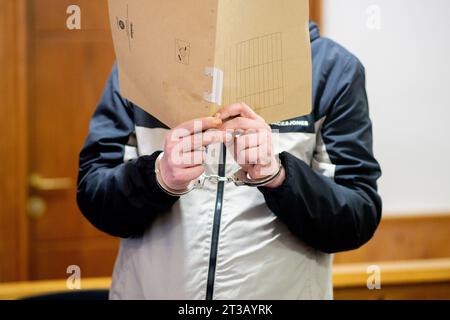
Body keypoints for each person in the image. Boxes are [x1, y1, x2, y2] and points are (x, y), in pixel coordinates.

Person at [77, 22, 382, 299]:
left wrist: (279, 177)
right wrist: (158, 178)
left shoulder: (332, 70)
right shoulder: (142, 62)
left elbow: (357, 216)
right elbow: (94, 193)